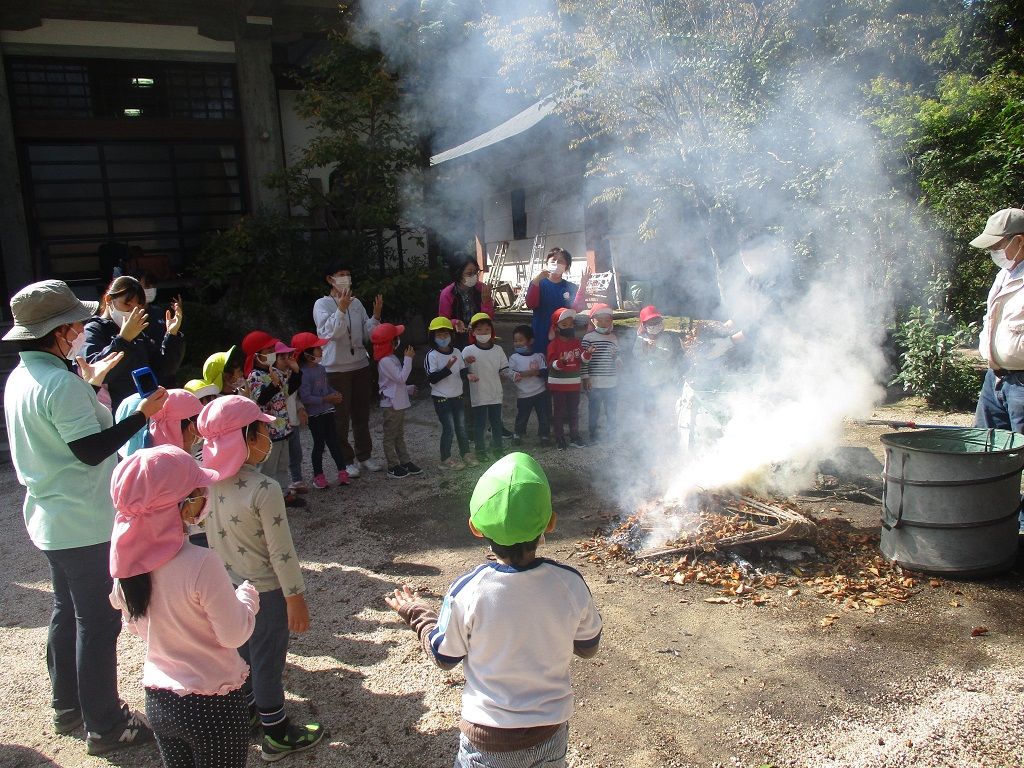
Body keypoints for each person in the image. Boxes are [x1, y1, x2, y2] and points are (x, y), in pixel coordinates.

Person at [3, 279, 167, 756]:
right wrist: (141, 417)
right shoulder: (59, 383)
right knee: (98, 621)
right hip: (84, 520)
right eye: (74, 324)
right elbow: (90, 450)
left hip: (52, 519)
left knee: (67, 612)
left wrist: (88, 382)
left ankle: (67, 705)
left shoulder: (24, 376)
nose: (80, 330)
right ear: (57, 331)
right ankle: (106, 725)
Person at [386, 452, 602, 768]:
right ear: (551, 524)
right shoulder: (570, 583)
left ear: (475, 527)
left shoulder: (467, 591)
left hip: (487, 740)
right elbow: (588, 647)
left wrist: (418, 614)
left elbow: (445, 656)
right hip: (551, 733)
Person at [108, 445, 258, 768]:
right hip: (212, 703)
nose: (205, 494)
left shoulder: (126, 566)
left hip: (160, 700)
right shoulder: (202, 563)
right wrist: (246, 600)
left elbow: (136, 626)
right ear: (180, 504)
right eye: (198, 490)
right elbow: (234, 635)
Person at [197, 396, 325, 761]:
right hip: (267, 593)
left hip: (228, 589)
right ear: (246, 438)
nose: (270, 435)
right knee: (268, 662)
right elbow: (280, 551)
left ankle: (249, 711)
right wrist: (295, 596)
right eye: (264, 430)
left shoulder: (205, 481)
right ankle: (276, 733)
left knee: (243, 656)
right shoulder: (264, 489)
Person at [313, 262, 385, 478]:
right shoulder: (322, 304)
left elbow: (366, 335)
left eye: (348, 274)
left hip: (360, 365)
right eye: (340, 274)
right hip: (335, 368)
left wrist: (376, 316)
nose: (345, 278)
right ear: (330, 279)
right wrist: (341, 309)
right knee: (340, 417)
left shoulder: (357, 303)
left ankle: (365, 455)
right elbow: (328, 334)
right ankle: (345, 459)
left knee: (361, 413)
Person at [82, 275, 185, 412]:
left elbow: (163, 370)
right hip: (115, 414)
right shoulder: (94, 329)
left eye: (137, 307)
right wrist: (123, 339)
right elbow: (94, 371)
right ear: (109, 299)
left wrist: (172, 335)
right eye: (127, 304)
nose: (131, 312)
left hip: (145, 411)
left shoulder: (138, 333)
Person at [970, 208, 1024, 433]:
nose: (993, 251)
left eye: (997, 246)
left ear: (1019, 240)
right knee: (985, 450)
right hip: (995, 379)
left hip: (1021, 384)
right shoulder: (1005, 273)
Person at [242, 331, 305, 508]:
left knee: (283, 464)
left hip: (283, 428)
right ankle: (267, 500)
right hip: (268, 431)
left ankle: (284, 493)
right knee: (268, 467)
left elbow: (288, 391)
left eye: (272, 349)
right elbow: (260, 399)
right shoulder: (254, 376)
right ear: (256, 356)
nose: (271, 352)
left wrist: (297, 372)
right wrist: (274, 384)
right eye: (267, 350)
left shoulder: (276, 371)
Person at [293, 331, 351, 489]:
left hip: (328, 411)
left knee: (334, 442)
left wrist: (333, 393)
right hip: (315, 415)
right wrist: (326, 399)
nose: (321, 350)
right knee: (319, 444)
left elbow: (325, 387)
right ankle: (318, 476)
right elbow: (305, 397)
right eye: (317, 348)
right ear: (307, 354)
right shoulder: (303, 373)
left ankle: (342, 471)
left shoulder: (321, 368)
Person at [424, 317, 476, 470]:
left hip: (457, 394)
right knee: (449, 428)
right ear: (432, 337)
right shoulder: (431, 355)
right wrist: (447, 367)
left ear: (451, 335)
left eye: (446, 334)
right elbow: (432, 379)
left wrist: (468, 375)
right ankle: (445, 458)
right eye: (439, 335)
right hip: (441, 397)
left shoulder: (457, 351)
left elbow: (461, 370)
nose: (443, 338)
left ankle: (465, 453)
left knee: (461, 426)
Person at [371, 323, 421, 479]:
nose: (399, 340)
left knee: (399, 435)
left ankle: (404, 461)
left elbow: (393, 383)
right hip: (392, 405)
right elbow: (401, 378)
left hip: (396, 403)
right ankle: (392, 465)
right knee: (391, 436)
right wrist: (408, 359)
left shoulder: (390, 358)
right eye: (396, 338)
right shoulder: (385, 361)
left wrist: (408, 389)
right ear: (390, 342)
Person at [463, 313, 511, 462]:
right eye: (479, 330)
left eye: (486, 329)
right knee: (480, 424)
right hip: (478, 394)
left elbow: (504, 368)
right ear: (473, 332)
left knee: (497, 423)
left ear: (492, 331)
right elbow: (461, 370)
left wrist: (506, 375)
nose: (483, 333)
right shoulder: (468, 350)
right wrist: (465, 364)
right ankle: (480, 451)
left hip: (495, 393)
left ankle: (497, 448)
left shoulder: (498, 350)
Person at [524, 247, 588, 355]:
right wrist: (536, 280)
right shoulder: (539, 283)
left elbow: (577, 308)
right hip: (541, 333)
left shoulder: (570, 287)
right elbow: (530, 304)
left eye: (561, 261)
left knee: (564, 366)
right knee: (542, 365)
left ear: (566, 267)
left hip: (564, 336)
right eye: (553, 260)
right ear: (547, 264)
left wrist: (583, 286)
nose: (556, 263)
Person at [547, 308, 590, 450]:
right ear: (556, 327)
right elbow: (552, 365)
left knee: (573, 411)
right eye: (564, 325)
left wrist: (588, 354)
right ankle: (559, 437)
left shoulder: (576, 342)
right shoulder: (553, 344)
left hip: (574, 383)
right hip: (558, 384)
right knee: (558, 412)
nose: (569, 327)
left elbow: (582, 358)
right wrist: (562, 363)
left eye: (571, 325)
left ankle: (574, 436)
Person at [581, 304, 620, 443]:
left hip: (612, 382)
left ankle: (611, 433)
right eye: (600, 319)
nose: (604, 323)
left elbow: (617, 356)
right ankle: (593, 434)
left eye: (607, 320)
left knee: (611, 409)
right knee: (594, 409)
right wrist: (585, 378)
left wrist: (618, 360)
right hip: (595, 382)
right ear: (593, 320)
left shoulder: (613, 338)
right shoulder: (588, 338)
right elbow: (583, 361)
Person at [438, 257, 495, 347]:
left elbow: (488, 318)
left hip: (479, 337)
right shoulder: (447, 293)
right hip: (456, 339)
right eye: (469, 274)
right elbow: (443, 320)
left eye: (476, 272)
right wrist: (455, 323)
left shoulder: (481, 288)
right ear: (458, 274)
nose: (474, 276)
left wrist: (486, 302)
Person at [507, 324, 550, 446]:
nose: (517, 343)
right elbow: (511, 373)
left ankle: (544, 435)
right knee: (522, 416)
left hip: (540, 392)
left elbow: (544, 371)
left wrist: (535, 372)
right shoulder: (514, 358)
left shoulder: (538, 356)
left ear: (530, 341)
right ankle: (518, 433)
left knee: (543, 415)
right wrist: (521, 374)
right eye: (515, 341)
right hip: (523, 394)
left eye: (521, 340)